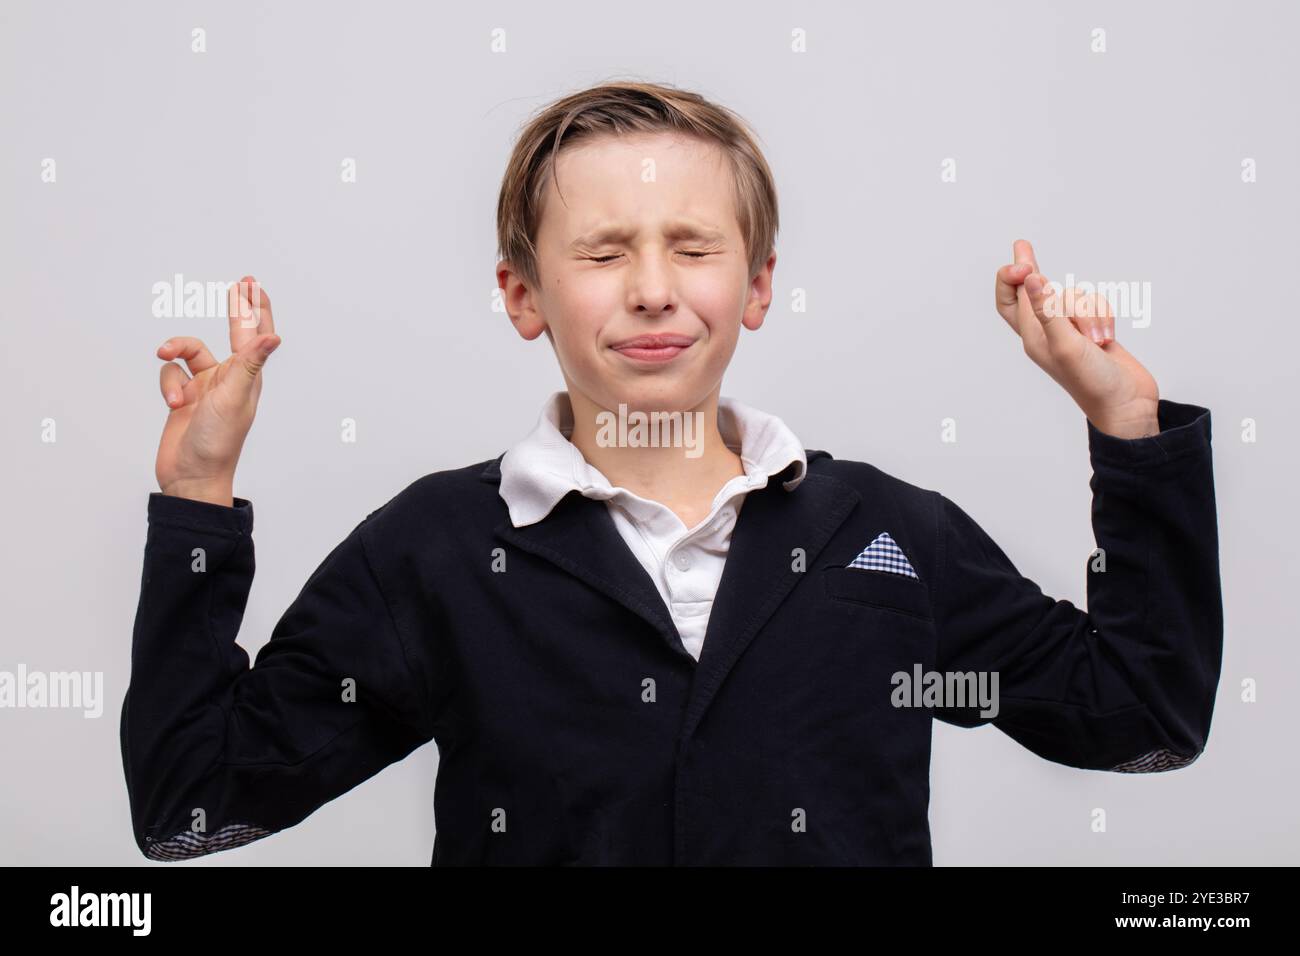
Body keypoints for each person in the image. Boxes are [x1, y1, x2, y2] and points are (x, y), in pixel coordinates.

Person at [122, 81, 1222, 865]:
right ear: (522, 296)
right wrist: (198, 496)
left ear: (755, 283)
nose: (652, 289)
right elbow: (191, 801)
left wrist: (1126, 425)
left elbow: (1139, 718)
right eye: (602, 253)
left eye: (693, 247)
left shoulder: (888, 535)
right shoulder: (437, 549)